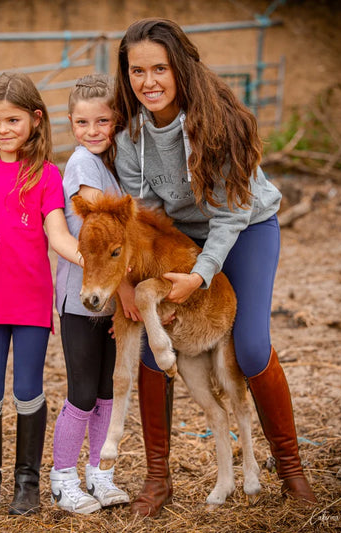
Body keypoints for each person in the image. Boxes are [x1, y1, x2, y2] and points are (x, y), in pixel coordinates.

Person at [110, 18, 317, 517]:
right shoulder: (130, 134)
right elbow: (144, 216)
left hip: (245, 228)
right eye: (137, 71)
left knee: (248, 346)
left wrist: (199, 276)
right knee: (150, 340)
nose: (148, 81)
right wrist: (133, 282)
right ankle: (158, 480)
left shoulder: (219, 124)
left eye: (159, 68)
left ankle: (290, 468)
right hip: (181, 235)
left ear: (179, 68)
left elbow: (230, 215)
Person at [0, 72, 82, 517]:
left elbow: (58, 234)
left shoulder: (46, 175)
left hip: (30, 304)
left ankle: (27, 484)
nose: (3, 130)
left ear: (35, 120)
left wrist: (91, 259)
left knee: (28, 390)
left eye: (13, 120)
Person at [50, 74, 130, 514]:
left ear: (116, 121)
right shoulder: (82, 163)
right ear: (70, 124)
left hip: (111, 297)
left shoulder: (116, 163)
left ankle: (99, 475)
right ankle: (63, 479)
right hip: (82, 297)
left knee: (106, 390)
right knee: (82, 391)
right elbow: (105, 220)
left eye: (102, 120)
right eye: (83, 122)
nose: (93, 130)